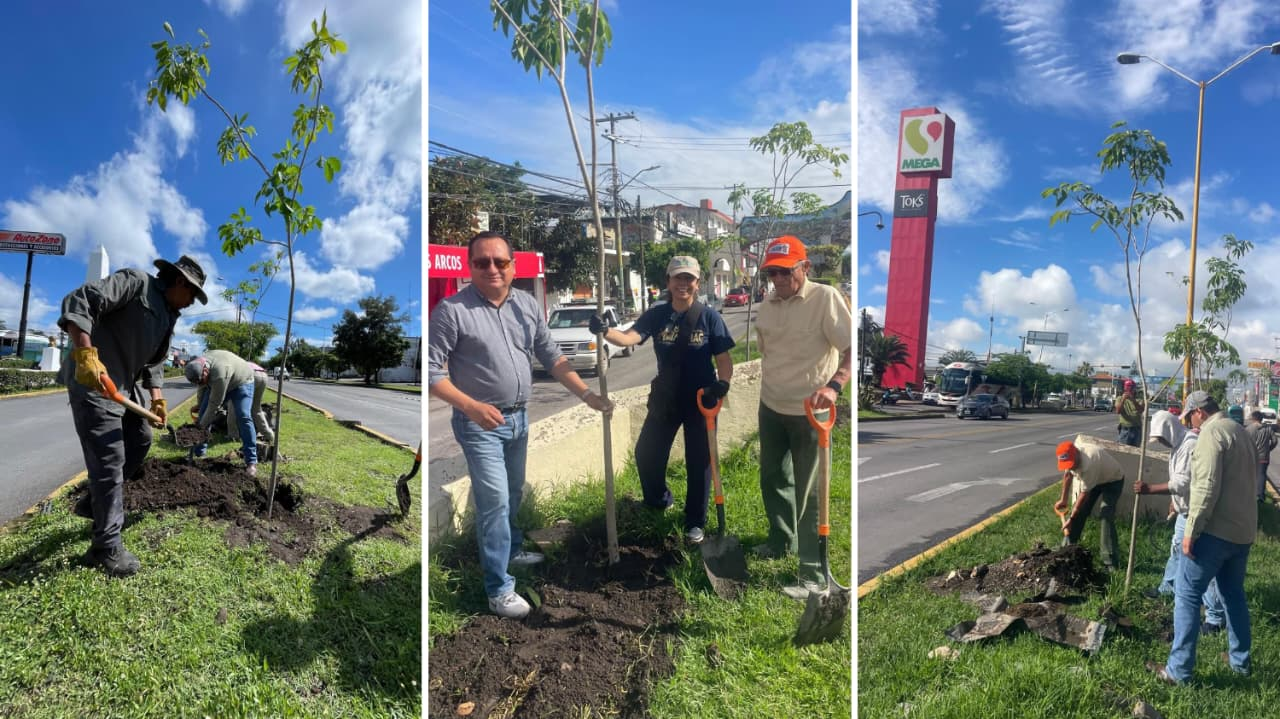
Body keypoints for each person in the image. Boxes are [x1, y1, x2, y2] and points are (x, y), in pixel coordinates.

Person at [428, 231, 613, 620]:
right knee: (494, 501)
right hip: (479, 422)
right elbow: (429, 372)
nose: (492, 268)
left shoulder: (526, 306)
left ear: (513, 266)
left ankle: (511, 549)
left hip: (519, 416)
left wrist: (588, 396)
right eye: (482, 262)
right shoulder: (452, 311)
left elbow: (552, 356)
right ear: (470, 266)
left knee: (512, 491)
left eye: (500, 262)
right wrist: (472, 406)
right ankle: (498, 589)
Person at [59, 254, 209, 577]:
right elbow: (79, 300)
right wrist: (85, 353)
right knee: (109, 460)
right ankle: (106, 547)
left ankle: (94, 503)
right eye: (192, 294)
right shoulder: (136, 283)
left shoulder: (169, 317)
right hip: (94, 381)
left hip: (123, 387)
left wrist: (157, 400)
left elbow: (154, 363)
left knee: (141, 438)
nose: (192, 302)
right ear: (180, 282)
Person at [591, 255, 735, 546]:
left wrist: (723, 383)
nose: (683, 284)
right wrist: (605, 332)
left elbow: (723, 357)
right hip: (666, 396)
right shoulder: (657, 315)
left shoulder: (709, 317)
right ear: (668, 281)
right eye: (678, 278)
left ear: (697, 283)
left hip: (701, 399)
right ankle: (658, 500)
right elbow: (630, 338)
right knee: (646, 453)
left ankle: (695, 521)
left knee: (700, 462)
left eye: (689, 279)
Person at [750, 236, 852, 600]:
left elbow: (851, 349)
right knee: (773, 477)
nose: (777, 279)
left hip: (811, 411)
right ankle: (781, 541)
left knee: (809, 493)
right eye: (771, 272)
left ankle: (812, 573)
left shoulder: (824, 299)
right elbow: (767, 352)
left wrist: (835, 385)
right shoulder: (768, 304)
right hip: (771, 405)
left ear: (804, 268)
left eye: (784, 271)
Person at [1147, 391, 1256, 684]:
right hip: (1242, 532)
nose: (1190, 423)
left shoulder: (1211, 434)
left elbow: (1205, 487)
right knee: (1233, 596)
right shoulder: (1240, 431)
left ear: (1199, 412)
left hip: (1214, 533)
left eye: (1189, 416)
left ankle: (1178, 671)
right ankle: (1240, 663)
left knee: (1186, 595)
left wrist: (1192, 531)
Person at [1133, 410, 1226, 632]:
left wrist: (1150, 489)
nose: (1162, 442)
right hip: (1185, 509)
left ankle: (1214, 617)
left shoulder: (1190, 444)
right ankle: (1168, 587)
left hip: (1198, 513)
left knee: (1201, 560)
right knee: (1176, 548)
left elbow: (1184, 482)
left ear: (1171, 429)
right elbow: (1179, 481)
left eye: (1162, 438)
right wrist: (1175, 502)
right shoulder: (1178, 446)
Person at [185, 349, 274, 475]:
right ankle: (199, 454)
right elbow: (202, 387)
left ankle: (251, 462)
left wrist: (199, 427)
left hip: (242, 382)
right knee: (203, 413)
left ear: (205, 370)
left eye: (202, 380)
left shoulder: (219, 373)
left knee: (243, 416)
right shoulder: (199, 366)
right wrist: (200, 405)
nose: (202, 383)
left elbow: (214, 405)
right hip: (224, 378)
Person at [1053, 439, 1124, 570]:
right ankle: (1067, 548)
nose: (1071, 466)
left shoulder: (1090, 461)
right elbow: (1068, 475)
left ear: (1077, 455)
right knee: (1081, 511)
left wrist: (1071, 518)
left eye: (1072, 464)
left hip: (1113, 480)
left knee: (1105, 514)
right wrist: (1063, 499)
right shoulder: (1070, 456)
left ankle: (1110, 561)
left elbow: (1084, 494)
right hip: (1095, 480)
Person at [1244, 410, 1276, 501]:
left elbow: (1245, 443)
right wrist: (1268, 449)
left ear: (1254, 418)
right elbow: (1275, 441)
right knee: (1262, 475)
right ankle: (1261, 496)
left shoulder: (1248, 429)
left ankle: (1250, 494)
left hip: (1252, 456)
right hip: (1263, 457)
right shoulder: (1268, 429)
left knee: (1251, 475)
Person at [1116, 380, 1144, 446]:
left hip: (1136, 429)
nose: (1129, 390)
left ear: (1134, 389)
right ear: (1124, 388)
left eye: (1131, 388)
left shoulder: (1139, 400)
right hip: (1125, 428)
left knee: (1136, 451)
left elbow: (1141, 410)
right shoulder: (1119, 398)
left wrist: (1132, 399)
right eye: (1128, 388)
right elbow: (1118, 411)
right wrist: (1123, 400)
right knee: (1123, 450)